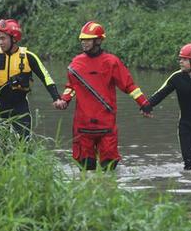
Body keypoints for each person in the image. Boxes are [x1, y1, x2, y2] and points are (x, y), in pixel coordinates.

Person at [53, 21, 150, 171]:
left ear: (98, 40)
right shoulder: (76, 63)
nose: (84, 43)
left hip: (106, 125)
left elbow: (129, 85)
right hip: (83, 126)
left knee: (109, 167)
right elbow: (71, 87)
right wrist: (64, 100)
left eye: (88, 39)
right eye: (82, 40)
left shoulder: (111, 62)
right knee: (85, 169)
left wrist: (144, 103)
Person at [0, 18, 60, 137]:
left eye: (3, 38)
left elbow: (46, 77)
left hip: (19, 106)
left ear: (14, 38)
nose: (0, 42)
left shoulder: (28, 57)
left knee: (23, 141)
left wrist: (56, 98)